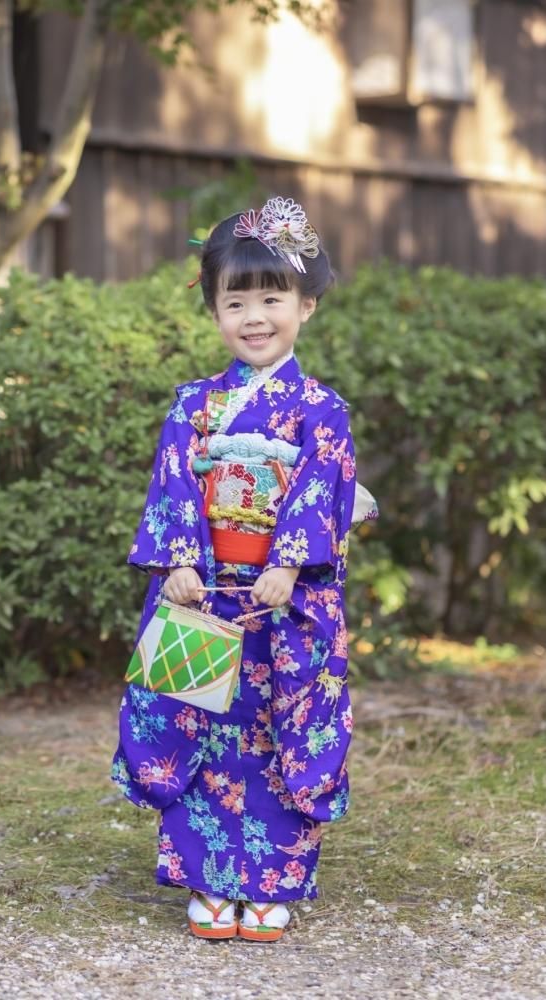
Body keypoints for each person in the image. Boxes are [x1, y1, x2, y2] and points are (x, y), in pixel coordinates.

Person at [111, 197, 376, 942]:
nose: (254, 316)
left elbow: (320, 490)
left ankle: (269, 882)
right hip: (204, 595)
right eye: (236, 301)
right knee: (197, 727)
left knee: (275, 735)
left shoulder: (320, 410)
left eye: (271, 298)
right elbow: (172, 484)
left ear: (306, 305)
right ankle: (205, 880)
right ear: (214, 311)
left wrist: (290, 569)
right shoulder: (193, 406)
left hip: (280, 602)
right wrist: (180, 561)